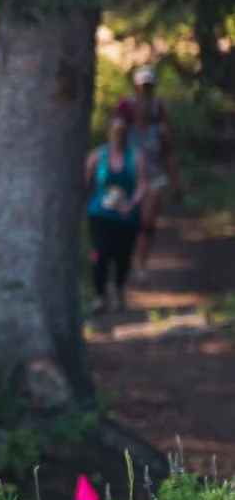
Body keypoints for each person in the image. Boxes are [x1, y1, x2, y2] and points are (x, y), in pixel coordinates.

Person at [116, 66, 179, 277]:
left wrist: (174, 181)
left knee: (148, 222)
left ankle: (141, 263)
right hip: (130, 176)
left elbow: (167, 152)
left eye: (148, 86)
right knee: (127, 220)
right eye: (141, 86)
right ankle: (125, 259)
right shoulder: (125, 112)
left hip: (153, 176)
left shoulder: (158, 118)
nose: (144, 91)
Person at [86, 110, 143, 316]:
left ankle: (119, 289)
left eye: (121, 131)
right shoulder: (96, 156)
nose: (118, 135)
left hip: (126, 216)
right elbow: (85, 182)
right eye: (115, 130)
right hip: (100, 213)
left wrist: (132, 203)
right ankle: (99, 295)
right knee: (100, 253)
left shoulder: (135, 158)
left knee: (122, 256)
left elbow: (141, 186)